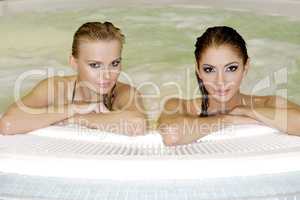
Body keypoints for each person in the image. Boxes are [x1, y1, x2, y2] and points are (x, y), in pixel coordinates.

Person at [158, 26, 300, 146]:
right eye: (209, 69)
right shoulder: (179, 106)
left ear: (245, 67)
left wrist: (245, 110)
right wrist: (228, 118)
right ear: (198, 70)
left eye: (231, 68)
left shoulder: (269, 103)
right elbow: (172, 135)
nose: (220, 81)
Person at [0, 21, 147, 136]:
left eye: (114, 63)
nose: (107, 75)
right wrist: (75, 107)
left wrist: (74, 118)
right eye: (95, 65)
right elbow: (8, 124)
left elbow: (138, 124)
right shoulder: (55, 88)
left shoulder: (124, 93)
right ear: (74, 63)